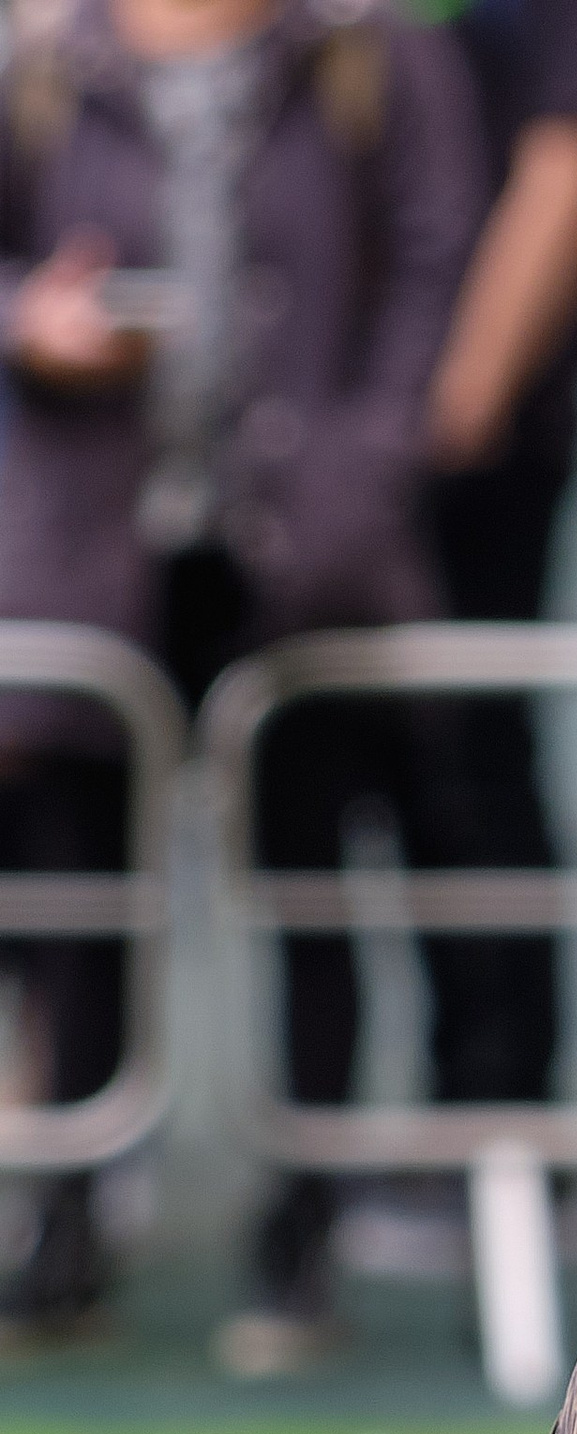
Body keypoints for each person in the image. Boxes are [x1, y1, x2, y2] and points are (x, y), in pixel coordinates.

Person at [0, 0, 481, 1361]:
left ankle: (300, 1241)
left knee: (309, 889)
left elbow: (433, 271)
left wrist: (364, 466)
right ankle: (66, 1226)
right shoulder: (42, 64)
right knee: (83, 903)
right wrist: (32, 320)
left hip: (308, 550)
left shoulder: (372, 57)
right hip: (89, 545)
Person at [410, 0, 577, 1119]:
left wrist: (460, 400)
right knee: (341, 778)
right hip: (335, 444)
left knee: (474, 761)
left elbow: (568, 168)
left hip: (478, 449)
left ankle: (494, 1102)